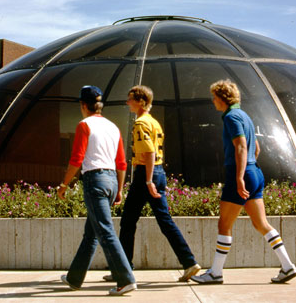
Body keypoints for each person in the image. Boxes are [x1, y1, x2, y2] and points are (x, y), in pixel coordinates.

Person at [191, 79, 296, 285]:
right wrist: (249, 168)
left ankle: (215, 273)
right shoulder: (244, 116)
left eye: (214, 97)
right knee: (261, 224)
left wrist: (239, 177)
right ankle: (287, 266)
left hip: (240, 174)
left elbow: (240, 146)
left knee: (224, 223)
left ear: (223, 98)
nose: (213, 101)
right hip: (255, 172)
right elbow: (255, 147)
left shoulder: (231, 117)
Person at [104, 85, 201, 282]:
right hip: (158, 172)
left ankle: (123, 269)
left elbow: (149, 153)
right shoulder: (154, 122)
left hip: (145, 174)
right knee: (164, 221)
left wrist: (147, 180)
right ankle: (189, 261)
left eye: (130, 99)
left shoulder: (140, 123)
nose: (127, 102)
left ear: (141, 101)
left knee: (128, 222)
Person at [57, 85, 137, 296]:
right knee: (91, 233)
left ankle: (125, 279)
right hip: (111, 181)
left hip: (95, 181)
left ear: (84, 105)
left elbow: (77, 159)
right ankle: (74, 278)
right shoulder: (113, 127)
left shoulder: (84, 125)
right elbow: (122, 163)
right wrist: (119, 189)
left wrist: (64, 184)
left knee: (105, 231)